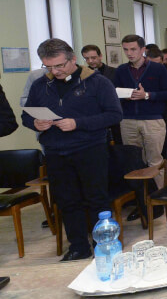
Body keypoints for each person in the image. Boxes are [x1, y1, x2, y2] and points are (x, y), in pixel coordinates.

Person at [21, 39, 122, 261]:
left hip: (90, 149)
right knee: (67, 201)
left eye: (59, 65)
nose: (55, 71)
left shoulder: (97, 82)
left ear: (73, 59)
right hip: (55, 152)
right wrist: (35, 123)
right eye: (49, 67)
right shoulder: (40, 85)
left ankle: (102, 245)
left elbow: (115, 115)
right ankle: (78, 246)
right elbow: (26, 115)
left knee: (96, 199)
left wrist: (78, 123)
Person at [114, 35, 167, 190]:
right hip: (128, 120)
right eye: (126, 49)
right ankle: (140, 197)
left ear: (143, 49)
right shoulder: (121, 70)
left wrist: (147, 95)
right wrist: (125, 95)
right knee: (133, 161)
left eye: (133, 49)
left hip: (152, 120)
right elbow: (114, 94)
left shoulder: (158, 69)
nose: (129, 53)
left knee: (154, 160)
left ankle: (158, 194)